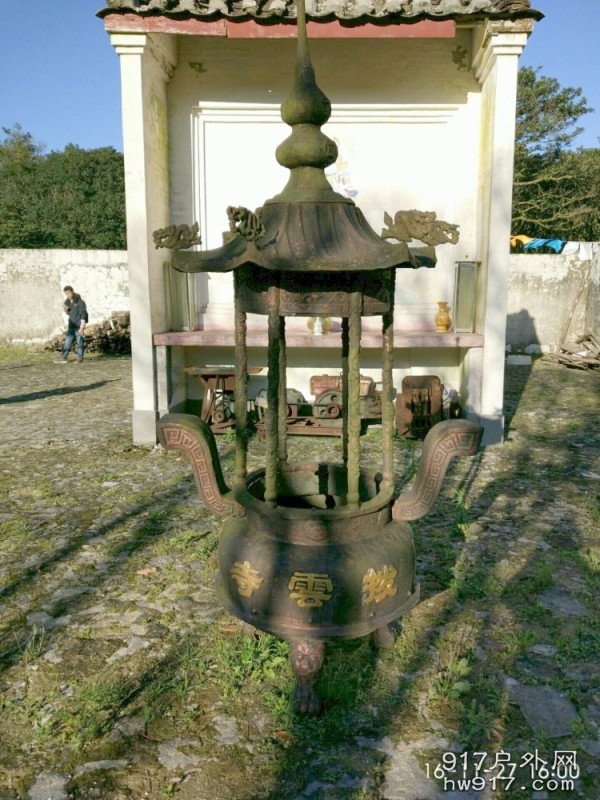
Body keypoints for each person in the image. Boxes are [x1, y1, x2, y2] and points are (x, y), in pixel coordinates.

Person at [54, 286, 88, 363]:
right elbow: (70, 314)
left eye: (68, 293)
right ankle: (63, 358)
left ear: (72, 291)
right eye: (66, 294)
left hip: (78, 326)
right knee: (67, 342)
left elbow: (83, 314)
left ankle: (79, 358)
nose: (67, 295)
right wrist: (66, 310)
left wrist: (82, 327)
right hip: (71, 326)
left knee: (80, 343)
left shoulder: (80, 302)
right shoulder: (69, 302)